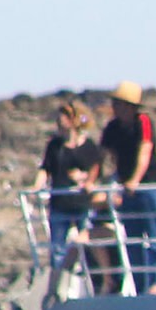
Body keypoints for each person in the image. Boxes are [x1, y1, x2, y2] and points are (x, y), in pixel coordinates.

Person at [99, 80, 156, 293]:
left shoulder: (143, 122)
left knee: (154, 233)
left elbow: (145, 151)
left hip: (149, 187)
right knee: (133, 238)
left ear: (130, 106)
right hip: (127, 189)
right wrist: (107, 182)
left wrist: (135, 180)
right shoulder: (112, 127)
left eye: (120, 104)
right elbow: (104, 156)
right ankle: (140, 285)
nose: (116, 108)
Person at [34, 99, 107, 288]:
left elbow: (95, 166)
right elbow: (46, 168)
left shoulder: (87, 146)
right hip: (60, 205)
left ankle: (96, 283)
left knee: (87, 245)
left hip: (82, 204)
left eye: (64, 117)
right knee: (57, 249)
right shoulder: (55, 145)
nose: (60, 121)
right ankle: (56, 287)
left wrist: (87, 181)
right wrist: (37, 186)